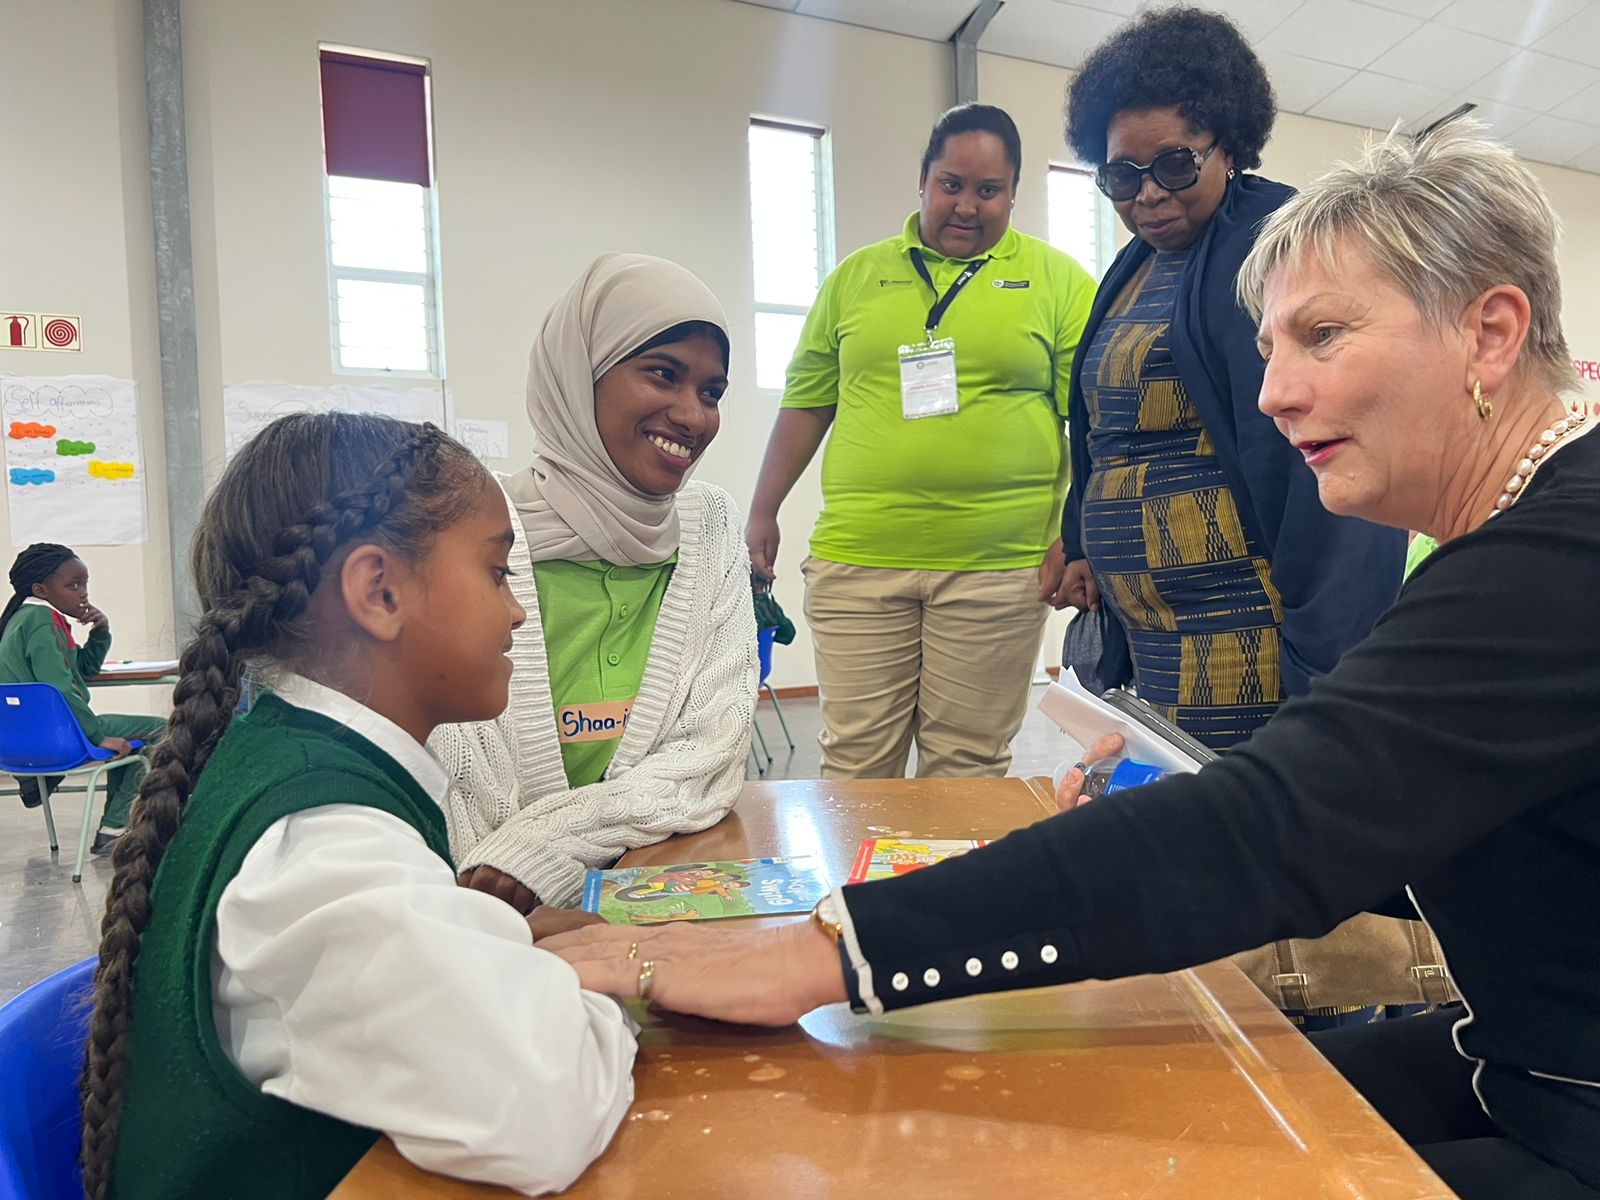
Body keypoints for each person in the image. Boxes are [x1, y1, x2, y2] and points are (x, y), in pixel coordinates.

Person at [542, 123, 1600, 1200]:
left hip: (1564, 1107)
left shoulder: (1560, 553)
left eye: (1320, 335)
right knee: (1148, 1117)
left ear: (1490, 333)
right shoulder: (1522, 543)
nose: (1274, 393)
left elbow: (1277, 834)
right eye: (1269, 347)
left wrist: (823, 955)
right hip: (1514, 1064)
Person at [79, 415, 636, 1200]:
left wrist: (493, 944)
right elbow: (548, 1106)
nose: (517, 611)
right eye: (499, 572)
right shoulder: (318, 844)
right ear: (379, 590)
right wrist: (623, 973)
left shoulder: (280, 754)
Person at [1058, 7, 1404, 750]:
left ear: (1228, 147)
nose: (1147, 194)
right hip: (1150, 634)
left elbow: (1320, 471)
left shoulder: (1279, 250)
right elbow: (1102, 424)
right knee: (1177, 826)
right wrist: (1080, 542)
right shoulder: (1134, 266)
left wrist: (1329, 679)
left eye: (1175, 166)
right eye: (1121, 174)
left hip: (1237, 636)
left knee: (1239, 840)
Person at [744, 103, 1097, 781]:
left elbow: (1092, 423)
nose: (967, 205)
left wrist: (1078, 535)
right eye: (951, 184)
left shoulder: (1059, 283)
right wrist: (763, 510)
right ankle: (857, 895)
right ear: (924, 182)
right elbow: (808, 401)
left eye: (988, 190)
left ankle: (947, 893)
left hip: (999, 570)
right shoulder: (855, 278)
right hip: (860, 564)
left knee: (966, 766)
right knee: (855, 761)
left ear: (1014, 193)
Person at [430, 252, 757, 913]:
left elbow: (710, 752)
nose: (693, 417)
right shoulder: (469, 525)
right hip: (472, 913)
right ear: (579, 376)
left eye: (711, 392)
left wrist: (546, 846)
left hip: (652, 886)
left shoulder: (709, 523)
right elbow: (452, 785)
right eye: (663, 375)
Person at [0, 543, 164, 851]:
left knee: (129, 746)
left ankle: (114, 829)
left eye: (85, 584)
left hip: (19, 744)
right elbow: (61, 688)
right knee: (164, 730)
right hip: (60, 737)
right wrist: (97, 736)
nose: (83, 593)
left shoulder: (21, 619)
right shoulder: (43, 622)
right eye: (73, 585)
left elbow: (79, 671)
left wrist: (100, 633)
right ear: (41, 589)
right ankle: (116, 827)